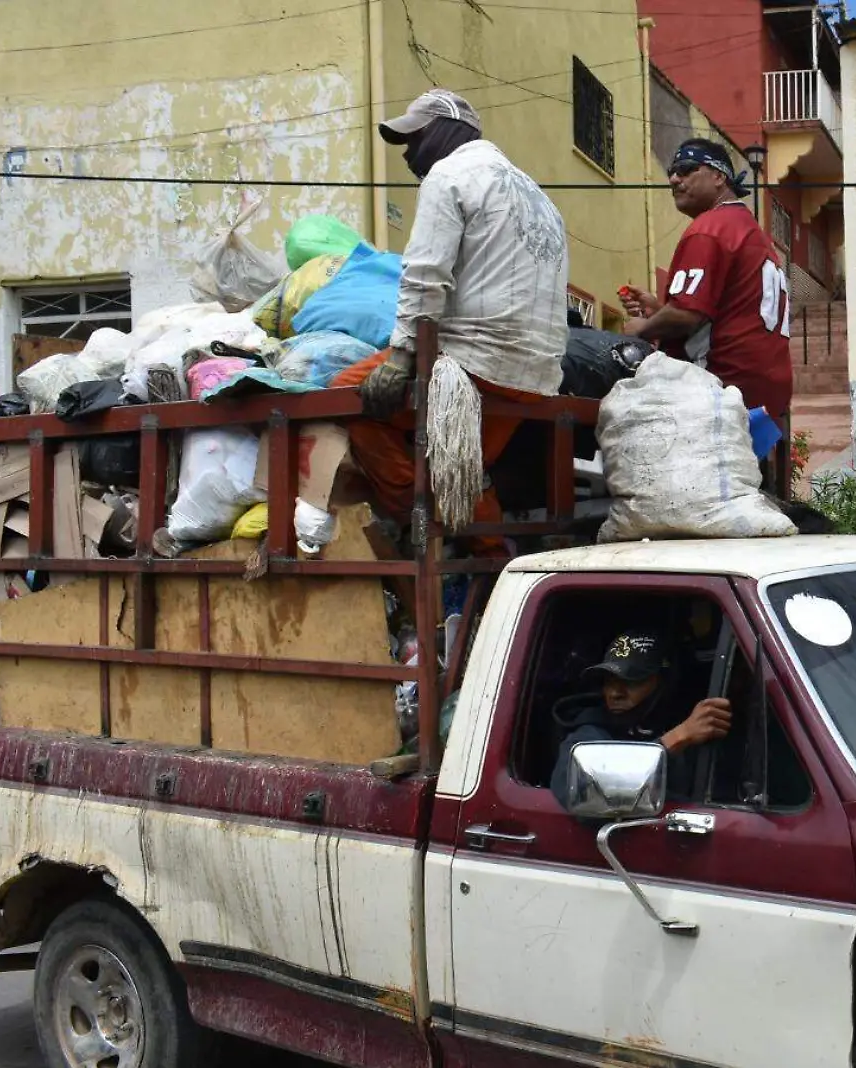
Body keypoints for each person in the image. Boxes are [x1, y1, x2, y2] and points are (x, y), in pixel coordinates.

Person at [331, 89, 569, 547]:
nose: (407, 154)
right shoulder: (538, 196)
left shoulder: (450, 175)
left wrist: (401, 357)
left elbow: (424, 274)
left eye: (413, 140)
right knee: (463, 467)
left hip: (474, 361)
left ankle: (413, 513)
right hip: (536, 375)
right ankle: (491, 561)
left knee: (344, 395)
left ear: (445, 131)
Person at [619, 139, 793, 427]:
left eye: (686, 169)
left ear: (718, 176)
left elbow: (686, 315)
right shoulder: (753, 233)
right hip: (766, 396)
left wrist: (642, 327)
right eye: (672, 172)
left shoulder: (710, 228)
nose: (674, 179)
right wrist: (661, 309)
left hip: (720, 390)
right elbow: (720, 315)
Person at [548, 629, 732, 810]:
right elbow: (583, 793)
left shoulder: (698, 728)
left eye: (631, 681)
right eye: (609, 681)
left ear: (663, 683)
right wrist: (674, 740)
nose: (614, 693)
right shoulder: (588, 734)